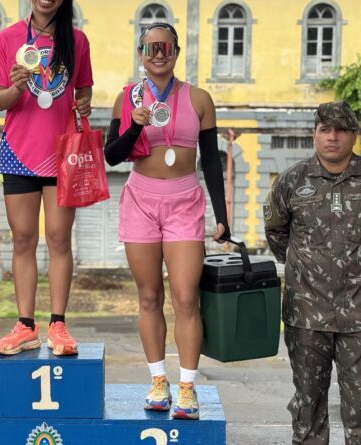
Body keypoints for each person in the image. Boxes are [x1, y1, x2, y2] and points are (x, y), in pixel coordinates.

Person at [103, 22, 230, 420]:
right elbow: (112, 156)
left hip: (184, 202)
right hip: (141, 199)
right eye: (151, 47)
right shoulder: (126, 99)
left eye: (166, 47)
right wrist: (135, 124)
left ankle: (188, 387)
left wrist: (222, 216)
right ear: (141, 53)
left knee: (186, 298)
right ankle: (159, 381)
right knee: (148, 297)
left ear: (176, 52)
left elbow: (210, 160)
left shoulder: (199, 98)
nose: (158, 54)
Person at [263, 101, 361, 444]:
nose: (333, 137)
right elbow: (276, 233)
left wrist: (360, 270)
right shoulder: (292, 182)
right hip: (306, 314)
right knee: (307, 406)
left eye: (341, 129)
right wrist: (308, 269)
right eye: (325, 129)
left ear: (354, 135)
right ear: (314, 134)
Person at [0, 0, 93, 356]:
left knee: (60, 239)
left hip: (64, 153)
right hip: (18, 152)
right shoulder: (7, 39)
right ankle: (25, 326)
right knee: (23, 240)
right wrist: (16, 86)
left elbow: (83, 89)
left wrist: (84, 104)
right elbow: (0, 101)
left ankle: (58, 325)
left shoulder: (77, 40)